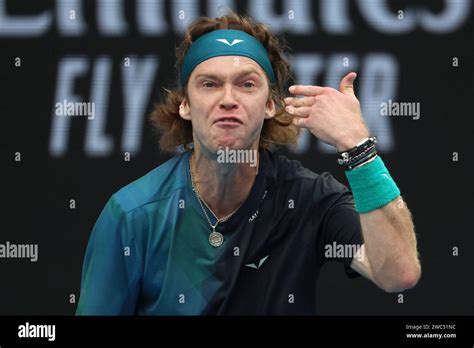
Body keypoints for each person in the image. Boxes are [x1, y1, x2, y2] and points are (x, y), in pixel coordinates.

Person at [76, 12, 421, 315]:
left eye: (247, 84)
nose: (228, 99)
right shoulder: (132, 214)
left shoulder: (310, 200)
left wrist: (358, 148)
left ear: (271, 104)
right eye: (210, 84)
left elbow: (398, 273)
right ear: (184, 105)